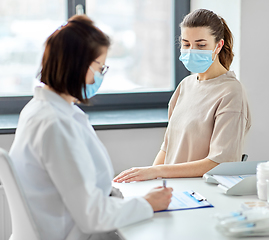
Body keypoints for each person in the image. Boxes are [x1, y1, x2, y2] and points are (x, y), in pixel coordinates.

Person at [9, 15, 172, 240]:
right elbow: (91, 215)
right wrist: (146, 205)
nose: (100, 75)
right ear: (78, 65)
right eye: (99, 67)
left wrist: (135, 200)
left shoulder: (45, 110)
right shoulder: (54, 124)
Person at [114, 9, 251, 183]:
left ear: (218, 45)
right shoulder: (186, 85)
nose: (192, 50)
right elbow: (167, 148)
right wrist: (148, 179)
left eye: (201, 45)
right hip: (171, 188)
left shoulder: (231, 92)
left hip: (201, 194)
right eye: (186, 44)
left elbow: (219, 163)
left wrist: (156, 172)